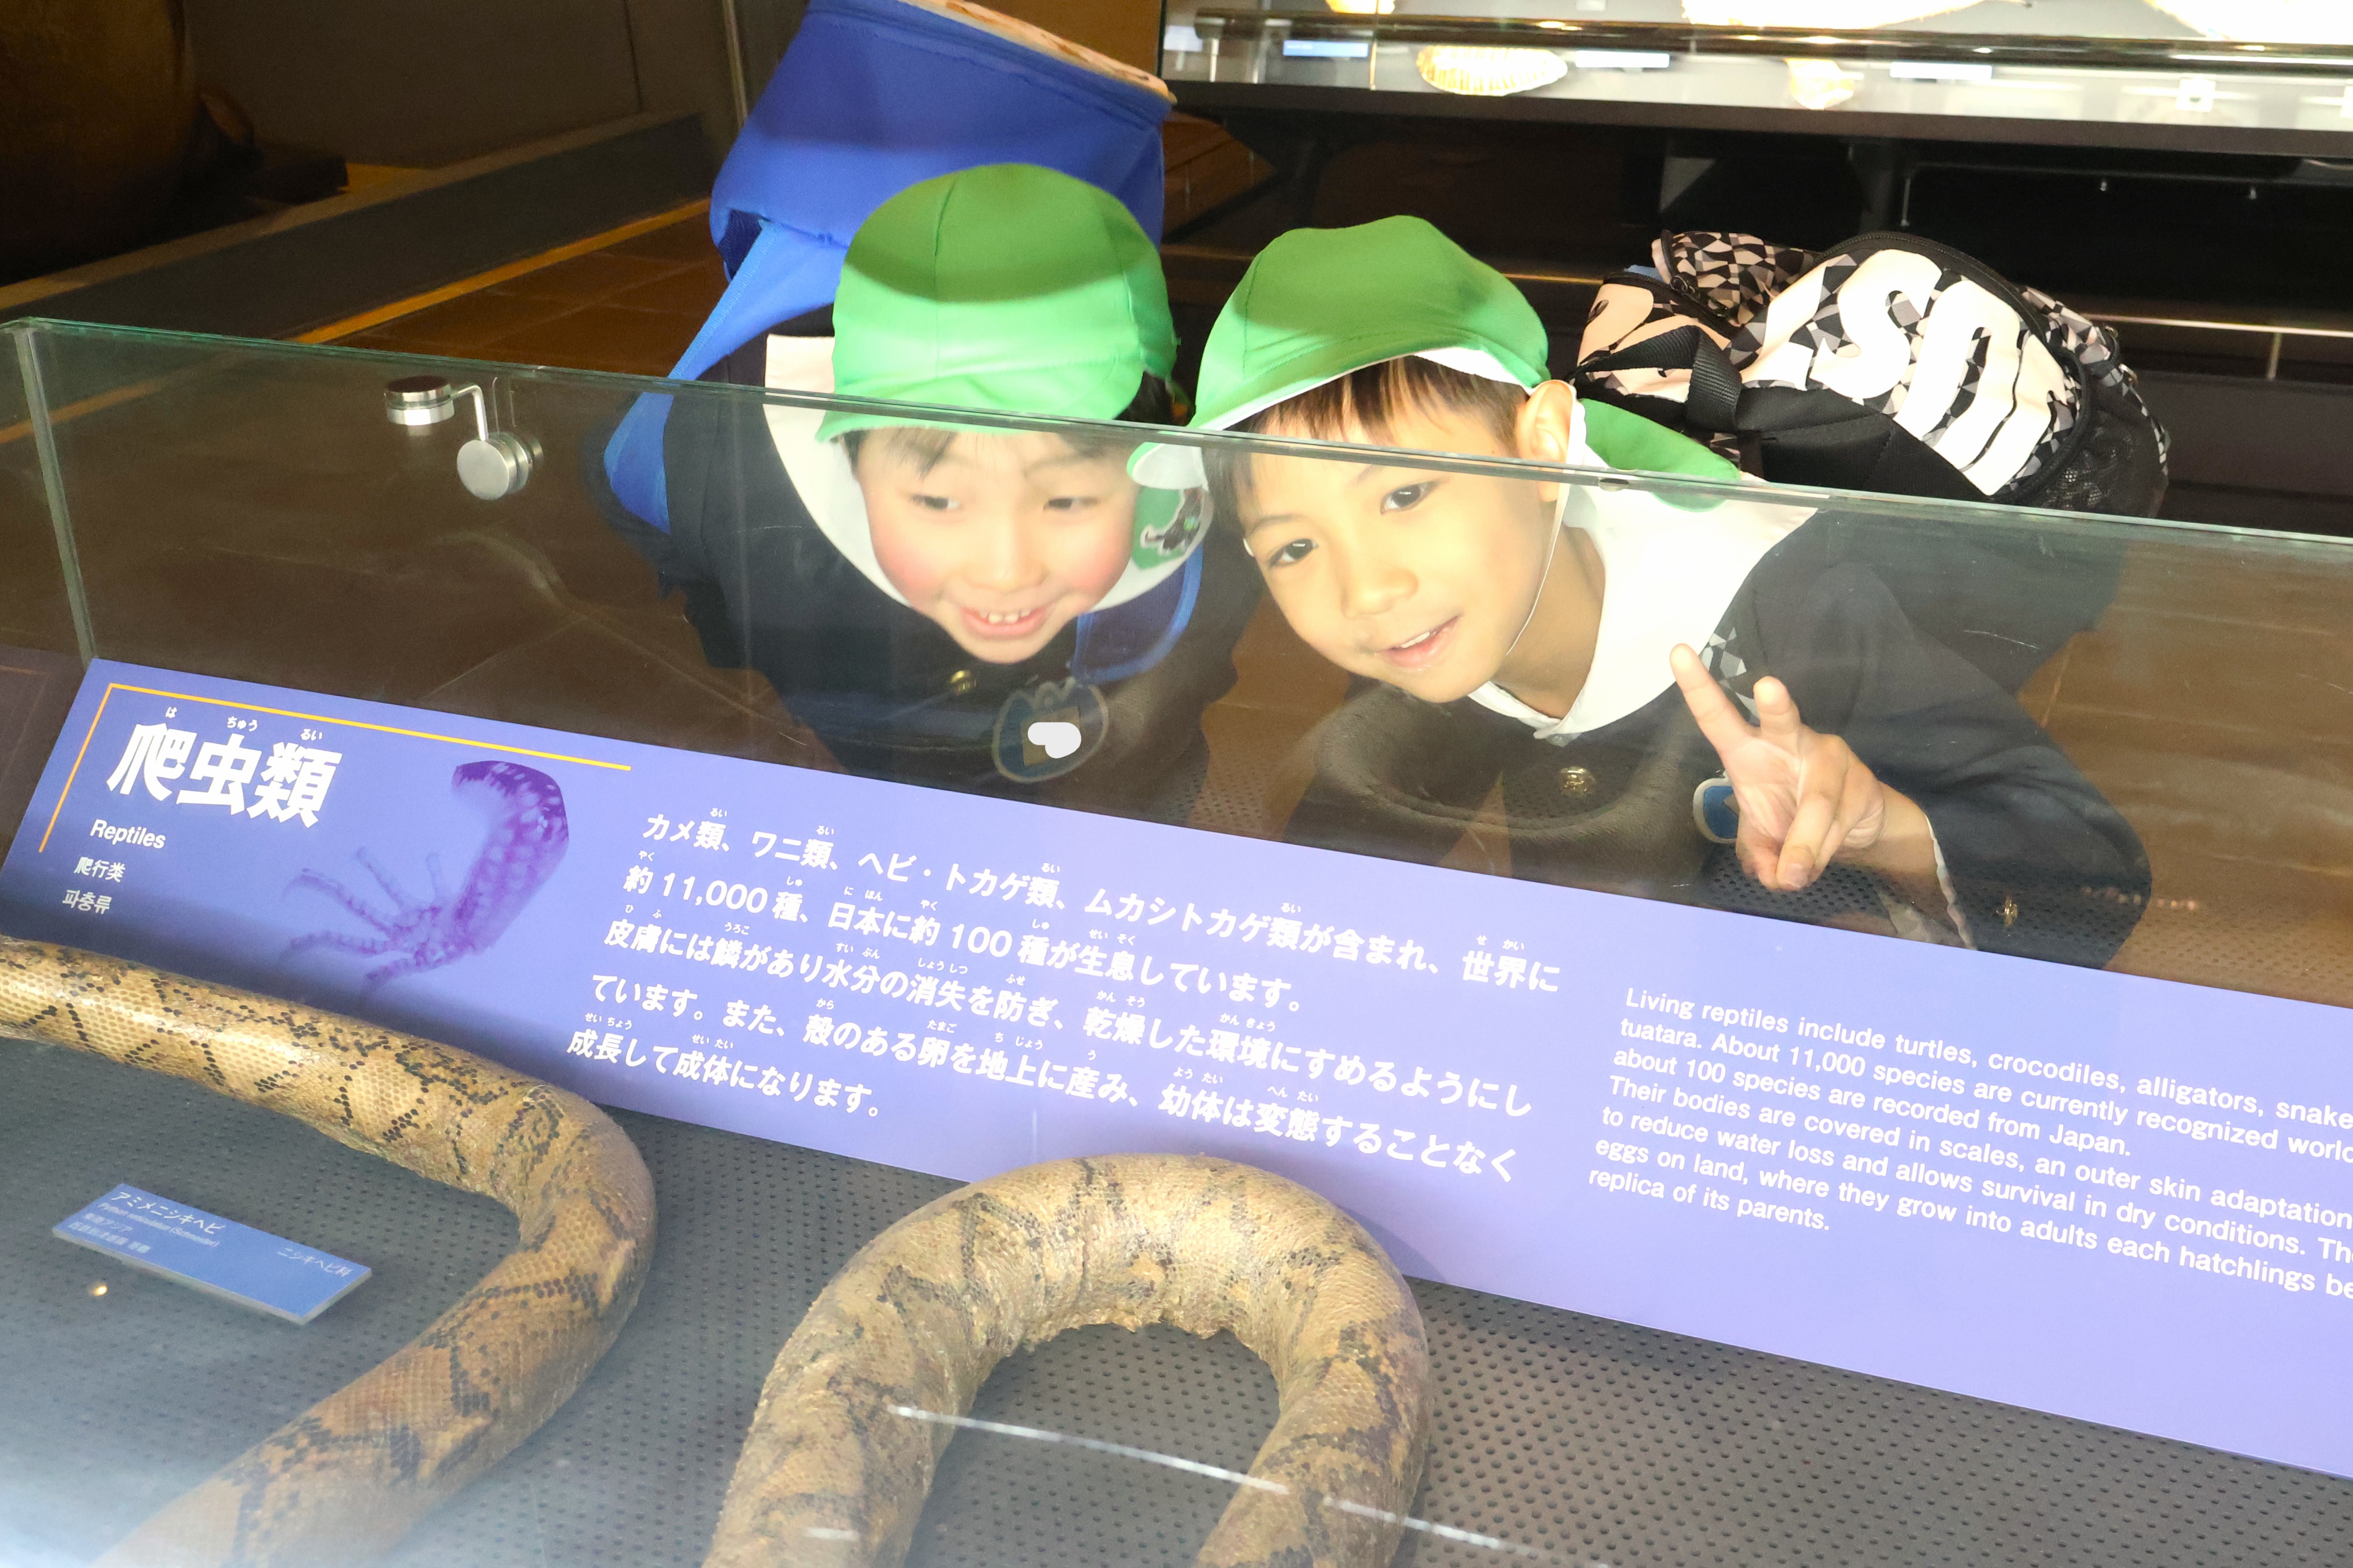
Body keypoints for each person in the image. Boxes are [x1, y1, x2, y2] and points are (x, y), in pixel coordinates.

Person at [1161, 216, 2149, 966]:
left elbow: (2092, 880)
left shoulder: (1793, 603)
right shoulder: (1434, 615)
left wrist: (1882, 825)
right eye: (1292, 547)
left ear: (1543, 443)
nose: (1365, 588)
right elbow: (1364, 830)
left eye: (1406, 494)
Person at [595, 164, 1258, 820]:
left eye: (1066, 501)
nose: (1005, 572)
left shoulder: (1225, 535)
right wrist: (737, 645)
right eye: (939, 501)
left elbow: (1184, 694)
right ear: (850, 460)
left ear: (1155, 459)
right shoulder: (727, 471)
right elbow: (631, 488)